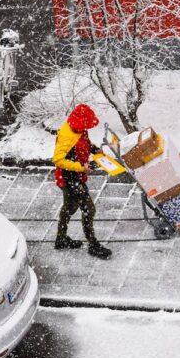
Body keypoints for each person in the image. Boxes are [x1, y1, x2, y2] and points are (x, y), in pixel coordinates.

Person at [52, 104, 112, 259]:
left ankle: (61, 238)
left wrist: (95, 150)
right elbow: (58, 160)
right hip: (70, 179)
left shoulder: (78, 129)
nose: (88, 128)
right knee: (88, 209)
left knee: (69, 207)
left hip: (75, 177)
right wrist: (80, 167)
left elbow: (84, 141)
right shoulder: (67, 136)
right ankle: (93, 245)